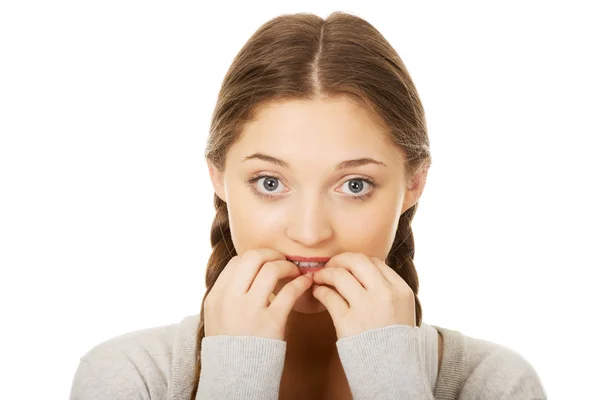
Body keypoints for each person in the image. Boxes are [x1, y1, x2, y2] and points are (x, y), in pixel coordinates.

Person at [70, 11, 548, 400]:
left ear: (414, 183)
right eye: (271, 181)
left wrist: (391, 378)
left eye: (355, 185)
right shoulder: (128, 379)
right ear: (217, 176)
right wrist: (237, 364)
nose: (310, 231)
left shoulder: (494, 385)